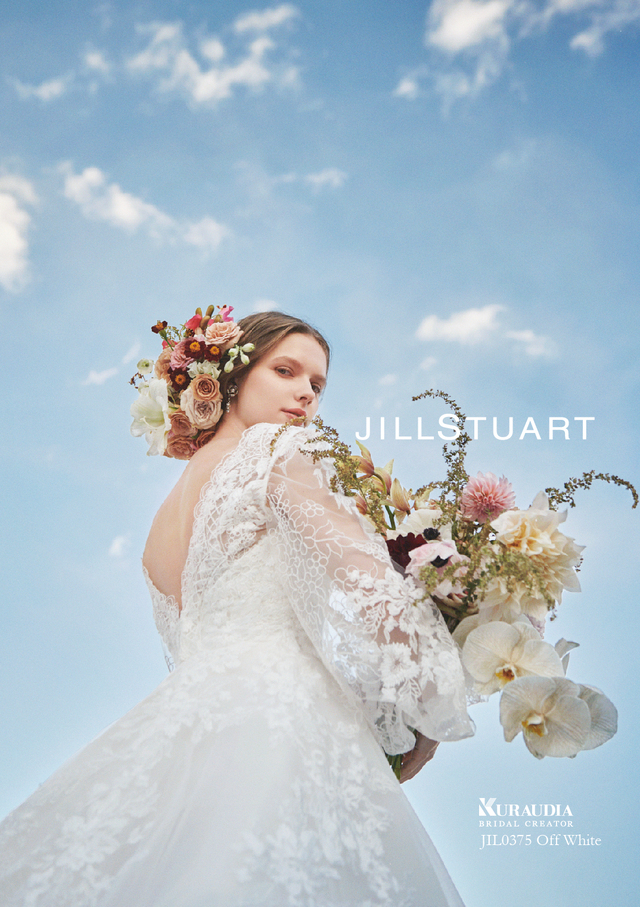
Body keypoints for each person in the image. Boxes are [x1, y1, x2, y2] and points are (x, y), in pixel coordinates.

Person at [0, 311, 474, 906]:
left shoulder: (159, 527)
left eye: (318, 384)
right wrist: (428, 706)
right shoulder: (277, 448)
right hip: (282, 717)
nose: (307, 393)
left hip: (193, 727)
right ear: (232, 376)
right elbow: (365, 583)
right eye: (285, 371)